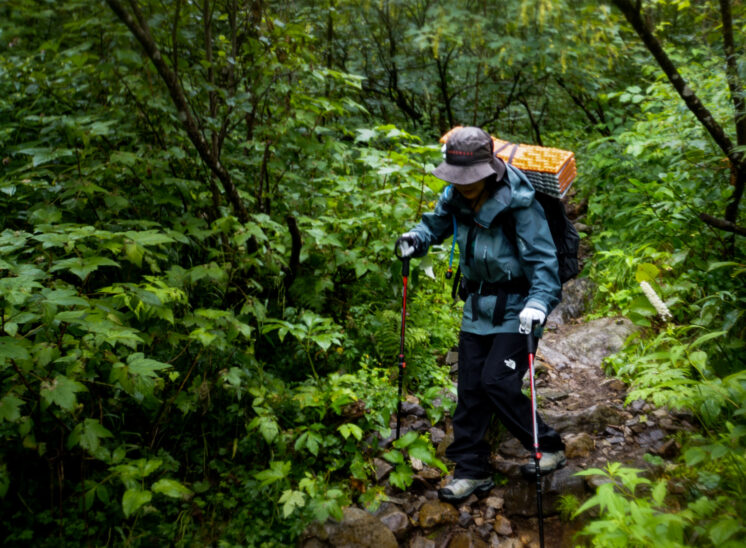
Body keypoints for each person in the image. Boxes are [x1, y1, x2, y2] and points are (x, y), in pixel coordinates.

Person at [396, 126, 566, 503]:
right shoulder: (454, 196)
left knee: (498, 383)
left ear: (488, 169)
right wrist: (415, 239)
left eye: (468, 178)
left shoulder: (520, 203)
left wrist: (538, 303)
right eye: (456, 179)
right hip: (476, 307)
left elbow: (543, 261)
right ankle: (472, 471)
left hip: (519, 308)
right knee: (470, 390)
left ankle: (548, 446)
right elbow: (432, 227)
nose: (462, 185)